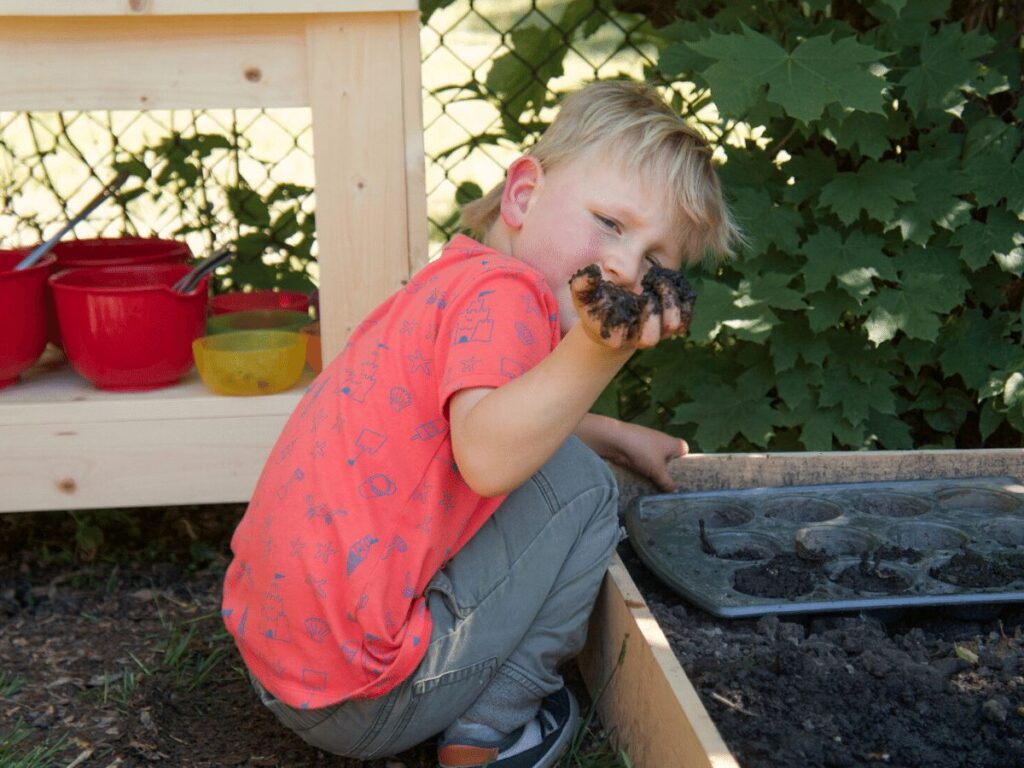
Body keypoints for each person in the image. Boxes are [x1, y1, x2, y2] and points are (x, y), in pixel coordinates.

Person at [221, 79, 740, 768]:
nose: (623, 264)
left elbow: (489, 415)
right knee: (584, 491)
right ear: (523, 196)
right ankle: (489, 733)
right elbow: (491, 457)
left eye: (653, 263)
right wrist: (598, 350)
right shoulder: (512, 300)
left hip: (280, 659)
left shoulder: (459, 279)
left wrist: (611, 433)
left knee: (571, 463)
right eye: (610, 225)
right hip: (363, 702)